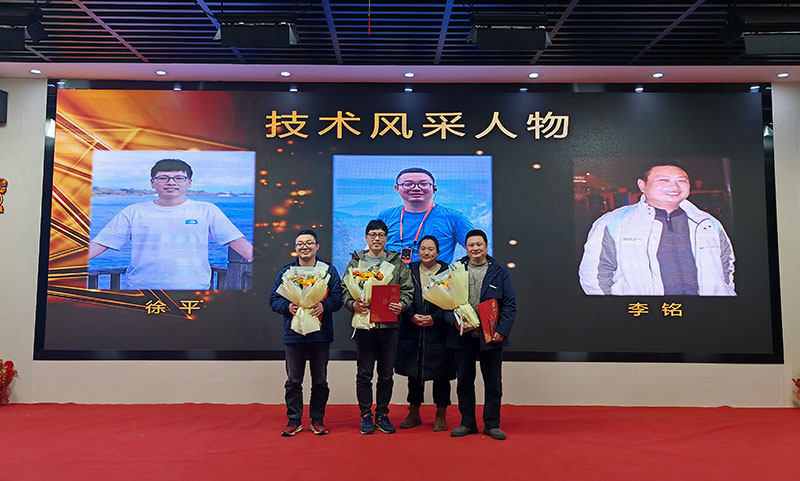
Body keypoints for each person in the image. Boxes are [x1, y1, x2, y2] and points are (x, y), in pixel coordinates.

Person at [88, 159, 253, 290]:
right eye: (163, 178)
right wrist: (72, 260)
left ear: (189, 182)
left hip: (193, 288)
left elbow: (235, 241)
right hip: (142, 288)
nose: (171, 182)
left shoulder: (207, 210)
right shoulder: (134, 212)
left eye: (179, 178)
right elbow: (102, 243)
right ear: (152, 182)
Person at [578, 163, 736, 296]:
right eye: (664, 180)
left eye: (681, 180)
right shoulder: (614, 222)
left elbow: (726, 265)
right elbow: (595, 275)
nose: (674, 186)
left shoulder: (707, 223)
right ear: (642, 185)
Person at [342, 219, 414, 435]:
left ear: (386, 238)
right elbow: (344, 290)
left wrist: (402, 305)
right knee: (364, 373)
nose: (377, 238)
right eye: (372, 234)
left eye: (381, 235)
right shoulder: (356, 262)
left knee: (386, 374)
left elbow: (408, 290)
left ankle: (382, 414)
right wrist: (352, 304)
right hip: (364, 326)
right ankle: (366, 414)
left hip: (388, 326)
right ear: (366, 237)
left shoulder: (396, 263)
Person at [269, 230, 343, 437]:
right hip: (294, 333)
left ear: (317, 246)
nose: (305, 246)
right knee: (293, 380)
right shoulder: (287, 272)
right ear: (295, 248)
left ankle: (317, 420)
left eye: (309, 243)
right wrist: (287, 307)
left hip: (320, 333)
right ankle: (294, 420)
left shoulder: (327, 271)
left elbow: (338, 297)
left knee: (320, 381)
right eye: (300, 243)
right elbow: (273, 300)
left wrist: (324, 305)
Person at [446, 229, 516, 441]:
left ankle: (492, 424)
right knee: (464, 382)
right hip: (462, 336)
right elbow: (445, 304)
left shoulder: (499, 272)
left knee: (493, 383)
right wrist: (457, 322)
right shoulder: (455, 269)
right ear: (465, 248)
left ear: (486, 246)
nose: (475, 248)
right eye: (471, 245)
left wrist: (501, 331)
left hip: (491, 337)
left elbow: (510, 305)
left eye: (479, 244)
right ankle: (467, 423)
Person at [395, 235, 455, 432]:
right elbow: (402, 296)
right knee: (414, 373)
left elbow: (454, 300)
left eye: (430, 249)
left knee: (442, 375)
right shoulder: (408, 270)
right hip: (412, 330)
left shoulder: (448, 271)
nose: (426, 252)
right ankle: (414, 412)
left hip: (439, 331)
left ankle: (441, 414)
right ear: (417, 251)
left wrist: (435, 318)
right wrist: (411, 315)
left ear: (437, 252)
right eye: (423, 249)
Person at [378, 167, 474, 264]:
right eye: (408, 184)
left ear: (434, 188)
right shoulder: (385, 217)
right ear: (397, 188)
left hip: (436, 273)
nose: (416, 188)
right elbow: (373, 250)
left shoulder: (454, 218)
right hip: (391, 273)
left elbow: (477, 249)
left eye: (424, 184)